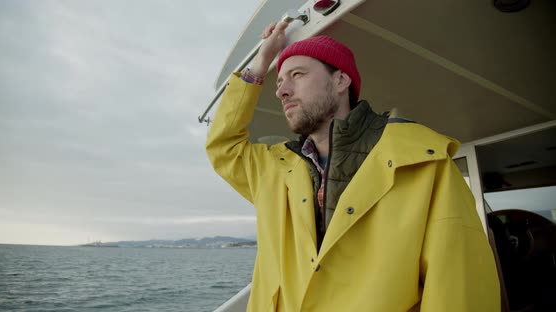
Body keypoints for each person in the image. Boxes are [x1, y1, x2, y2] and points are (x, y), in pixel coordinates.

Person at [206, 21, 500, 311]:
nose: (281, 91)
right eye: (280, 82)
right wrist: (261, 62)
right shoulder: (273, 168)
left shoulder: (423, 162)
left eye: (297, 74)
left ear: (340, 81)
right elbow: (224, 146)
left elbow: (458, 289)